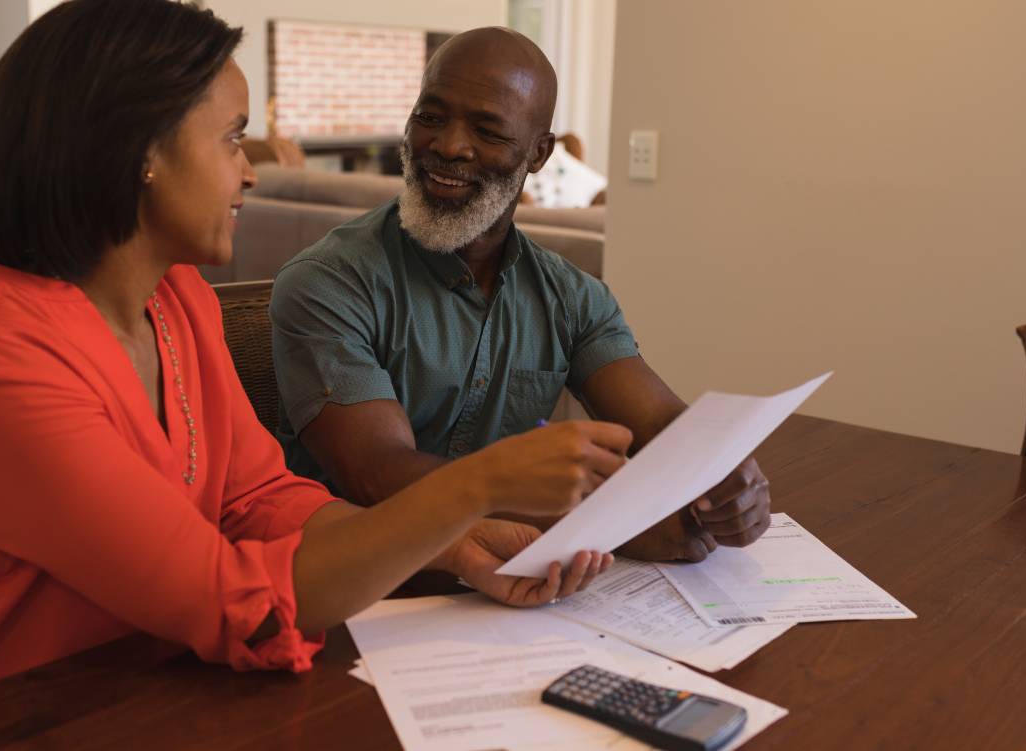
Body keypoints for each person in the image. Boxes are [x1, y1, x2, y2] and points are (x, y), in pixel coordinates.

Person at [0, 4, 629, 745]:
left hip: (119, 699)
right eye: (232, 138)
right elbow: (225, 595)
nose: (251, 169)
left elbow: (260, 499)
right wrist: (476, 487)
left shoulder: (178, 302)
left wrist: (458, 548)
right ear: (141, 153)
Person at [271, 27, 772, 563]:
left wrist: (723, 476)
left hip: (512, 587)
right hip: (359, 595)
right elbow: (378, 474)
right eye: (431, 117)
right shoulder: (328, 281)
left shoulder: (573, 297)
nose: (448, 146)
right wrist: (612, 524)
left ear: (538, 154)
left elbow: (659, 425)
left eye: (488, 130)